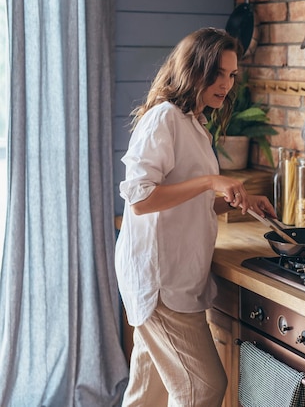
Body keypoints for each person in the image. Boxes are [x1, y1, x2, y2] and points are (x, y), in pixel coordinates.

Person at [114, 27, 276, 407]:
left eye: (231, 75)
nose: (226, 83)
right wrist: (210, 181)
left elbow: (188, 201)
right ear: (193, 70)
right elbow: (140, 199)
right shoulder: (164, 119)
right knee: (202, 387)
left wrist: (241, 201)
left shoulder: (194, 121)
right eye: (217, 73)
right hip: (161, 281)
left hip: (171, 275)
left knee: (147, 391)